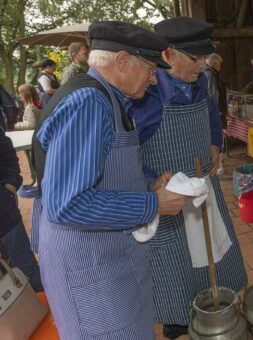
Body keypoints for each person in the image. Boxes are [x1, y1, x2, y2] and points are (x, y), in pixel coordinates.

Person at [33, 21, 189, 340]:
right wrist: (154, 203)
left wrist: (148, 183)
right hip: (91, 268)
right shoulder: (89, 104)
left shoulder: (107, 97)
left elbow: (102, 169)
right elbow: (67, 203)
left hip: (108, 261)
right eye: (149, 68)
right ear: (121, 61)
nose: (154, 77)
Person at [130, 16, 247, 340]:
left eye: (204, 56)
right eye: (195, 57)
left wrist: (213, 142)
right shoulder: (146, 96)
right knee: (175, 264)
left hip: (202, 189)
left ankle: (213, 306)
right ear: (168, 56)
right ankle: (177, 325)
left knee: (214, 252)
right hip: (170, 201)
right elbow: (125, 153)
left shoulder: (197, 85)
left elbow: (211, 114)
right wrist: (152, 180)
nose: (203, 63)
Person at [0, 128, 43, 292]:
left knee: (29, 274)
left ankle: (53, 315)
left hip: (5, 218)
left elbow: (5, 149)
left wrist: (8, 187)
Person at [204, 53, 227, 175]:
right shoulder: (211, 74)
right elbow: (213, 94)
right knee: (218, 136)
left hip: (215, 110)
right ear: (214, 63)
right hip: (216, 111)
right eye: (220, 64)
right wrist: (217, 111)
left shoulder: (209, 73)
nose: (221, 67)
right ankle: (218, 166)